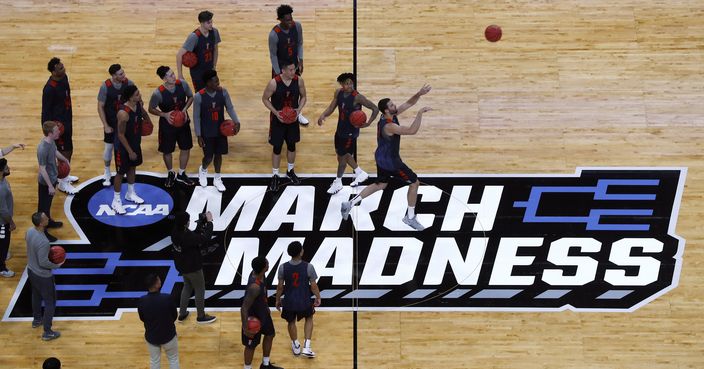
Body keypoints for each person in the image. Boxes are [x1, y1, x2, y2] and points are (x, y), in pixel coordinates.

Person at [341, 85, 433, 231]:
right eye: (391, 105)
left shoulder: (386, 116)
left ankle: (349, 204)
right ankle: (410, 218)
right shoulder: (389, 126)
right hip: (392, 162)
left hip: (380, 157)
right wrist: (420, 113)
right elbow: (411, 131)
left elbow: (408, 103)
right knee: (414, 183)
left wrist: (419, 93)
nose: (394, 105)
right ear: (386, 110)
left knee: (381, 184)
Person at [317, 73, 380, 194]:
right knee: (340, 154)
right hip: (340, 128)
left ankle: (338, 181)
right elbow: (332, 107)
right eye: (347, 83)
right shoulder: (338, 93)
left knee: (342, 159)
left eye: (351, 83)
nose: (350, 85)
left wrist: (368, 123)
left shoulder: (357, 97)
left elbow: (375, 108)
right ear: (341, 84)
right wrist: (323, 115)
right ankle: (360, 172)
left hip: (350, 132)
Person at [262, 61, 307, 192]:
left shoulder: (299, 80)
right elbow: (265, 99)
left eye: (294, 69)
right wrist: (276, 113)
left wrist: (298, 110)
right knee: (277, 147)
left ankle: (290, 171)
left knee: (292, 145)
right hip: (278, 120)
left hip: (292, 119)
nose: (294, 72)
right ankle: (275, 175)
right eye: (291, 70)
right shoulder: (274, 83)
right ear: (283, 70)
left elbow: (304, 97)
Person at [193, 69, 240, 192]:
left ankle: (217, 178)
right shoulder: (198, 97)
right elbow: (196, 117)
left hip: (220, 130)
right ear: (208, 83)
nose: (218, 83)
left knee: (218, 155)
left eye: (218, 80)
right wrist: (198, 135)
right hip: (206, 131)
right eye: (215, 81)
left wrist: (237, 121)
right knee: (208, 156)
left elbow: (230, 108)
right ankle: (203, 170)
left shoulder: (223, 92)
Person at [148, 66, 196, 188]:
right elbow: (151, 109)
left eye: (173, 73)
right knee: (167, 150)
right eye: (170, 75)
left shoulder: (182, 84)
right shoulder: (158, 93)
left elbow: (191, 97)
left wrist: (184, 110)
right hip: (167, 124)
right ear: (164, 79)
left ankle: (181, 173)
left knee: (186, 147)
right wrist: (164, 114)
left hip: (183, 121)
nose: (174, 76)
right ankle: (170, 172)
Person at [275, 241, 321, 358]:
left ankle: (295, 345)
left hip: (289, 301)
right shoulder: (308, 267)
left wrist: (277, 299)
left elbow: (280, 286)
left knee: (291, 322)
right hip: (304, 300)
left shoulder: (282, 267)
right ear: (301, 252)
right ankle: (307, 347)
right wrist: (318, 296)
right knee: (309, 318)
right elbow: (313, 286)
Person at [171, 211, 216, 324]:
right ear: (186, 223)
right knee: (200, 289)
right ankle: (201, 316)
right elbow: (205, 238)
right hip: (193, 267)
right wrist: (209, 223)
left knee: (187, 287)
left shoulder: (176, 231)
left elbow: (194, 236)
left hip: (182, 266)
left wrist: (200, 224)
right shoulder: (186, 236)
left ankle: (182, 314)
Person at [42, 57, 78, 194]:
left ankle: (66, 176)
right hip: (58, 126)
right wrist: (49, 130)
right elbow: (45, 111)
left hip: (67, 120)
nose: (64, 69)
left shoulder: (64, 78)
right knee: (63, 152)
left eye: (63, 66)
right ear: (53, 72)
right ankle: (62, 182)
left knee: (69, 149)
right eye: (60, 68)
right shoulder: (49, 89)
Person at [26, 211, 63, 341]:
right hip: (42, 276)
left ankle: (36, 320)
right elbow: (44, 262)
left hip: (31, 271)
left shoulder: (29, 231)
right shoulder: (43, 242)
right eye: (46, 218)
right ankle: (47, 331)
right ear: (41, 223)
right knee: (50, 302)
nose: (48, 219)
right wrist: (58, 265)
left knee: (36, 295)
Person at [269, 4, 308, 125]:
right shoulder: (274, 34)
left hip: (294, 66)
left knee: (295, 91)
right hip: (281, 68)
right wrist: (277, 72)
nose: (290, 21)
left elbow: (300, 43)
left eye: (291, 18)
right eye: (287, 20)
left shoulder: (297, 26)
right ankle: (278, 115)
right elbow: (273, 55)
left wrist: (301, 59)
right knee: (279, 94)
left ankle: (298, 113)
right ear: (280, 20)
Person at [242, 256, 283, 369]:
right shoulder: (254, 287)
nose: (268, 265)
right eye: (267, 264)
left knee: (270, 334)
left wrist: (265, 305)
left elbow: (264, 292)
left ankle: (265, 365)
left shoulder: (262, 275)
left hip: (263, 313)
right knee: (251, 346)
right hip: (253, 317)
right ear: (264, 268)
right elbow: (244, 308)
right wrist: (245, 327)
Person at [97, 64, 134, 187]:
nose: (124, 75)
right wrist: (105, 125)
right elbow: (100, 106)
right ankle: (107, 171)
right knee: (108, 148)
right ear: (113, 76)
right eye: (120, 74)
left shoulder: (129, 83)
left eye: (123, 72)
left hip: (125, 122)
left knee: (126, 147)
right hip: (112, 122)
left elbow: (137, 100)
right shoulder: (105, 87)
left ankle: (126, 170)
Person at [111, 85, 145, 215]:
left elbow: (142, 112)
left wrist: (148, 122)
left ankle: (130, 193)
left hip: (135, 142)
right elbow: (120, 134)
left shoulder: (137, 104)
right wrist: (130, 151)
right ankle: (116, 201)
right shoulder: (123, 113)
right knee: (120, 173)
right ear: (130, 97)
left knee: (132, 167)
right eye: (137, 94)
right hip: (123, 147)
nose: (139, 95)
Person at [138, 273, 180, 369]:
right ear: (157, 284)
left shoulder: (142, 300)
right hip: (169, 336)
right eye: (158, 279)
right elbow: (174, 316)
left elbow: (142, 318)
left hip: (152, 337)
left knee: (154, 361)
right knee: (173, 359)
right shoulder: (167, 298)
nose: (160, 280)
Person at [37, 121, 71, 242]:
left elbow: (55, 152)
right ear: (50, 133)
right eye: (57, 131)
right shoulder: (42, 148)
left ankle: (49, 222)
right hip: (45, 183)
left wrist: (64, 159)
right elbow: (42, 169)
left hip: (52, 178)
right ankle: (43, 232)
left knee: (48, 206)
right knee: (43, 208)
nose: (59, 132)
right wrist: (50, 186)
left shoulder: (51, 142)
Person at [176, 10, 221, 91]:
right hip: (198, 72)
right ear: (202, 23)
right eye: (208, 22)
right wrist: (180, 75)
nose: (211, 24)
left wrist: (214, 66)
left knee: (214, 90)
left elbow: (215, 50)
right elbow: (179, 55)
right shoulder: (194, 37)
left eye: (211, 21)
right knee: (201, 94)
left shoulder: (214, 32)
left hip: (210, 68)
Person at [0, 159, 15, 277]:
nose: (8, 168)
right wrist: (11, 222)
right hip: (2, 222)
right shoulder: (0, 189)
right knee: (3, 244)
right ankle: (2, 268)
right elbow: (3, 211)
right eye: (6, 167)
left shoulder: (4, 180)